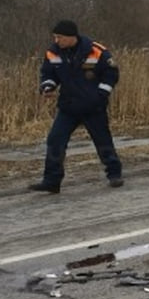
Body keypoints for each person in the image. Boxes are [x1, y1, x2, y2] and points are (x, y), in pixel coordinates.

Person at [29, 20, 123, 194]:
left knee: (103, 141)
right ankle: (51, 181)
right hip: (68, 107)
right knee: (55, 140)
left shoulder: (96, 50)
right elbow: (48, 73)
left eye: (60, 37)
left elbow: (112, 74)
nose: (57, 40)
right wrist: (47, 86)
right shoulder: (53, 52)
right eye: (55, 37)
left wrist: (101, 95)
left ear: (72, 37)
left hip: (92, 107)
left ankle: (114, 174)